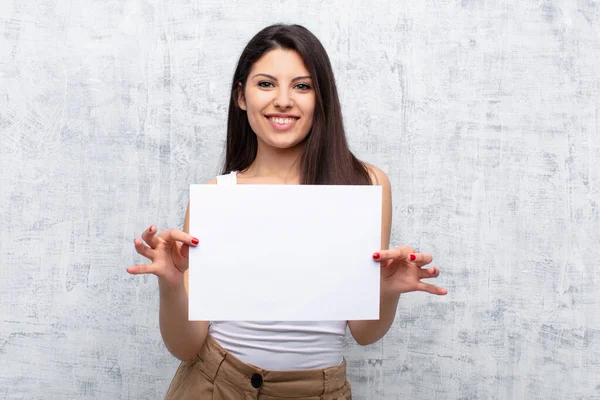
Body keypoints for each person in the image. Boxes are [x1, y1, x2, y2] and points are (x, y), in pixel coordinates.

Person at [127, 23, 447, 400]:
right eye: (265, 84)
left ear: (320, 97)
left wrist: (386, 292)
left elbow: (364, 332)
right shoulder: (217, 197)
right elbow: (186, 346)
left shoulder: (365, 185)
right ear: (241, 97)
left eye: (302, 85)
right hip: (215, 385)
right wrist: (171, 284)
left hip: (318, 391)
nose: (282, 100)